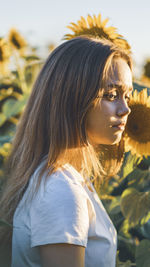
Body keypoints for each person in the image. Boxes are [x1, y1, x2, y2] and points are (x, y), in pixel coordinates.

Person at [0, 36, 133, 267]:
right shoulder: (60, 190)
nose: (126, 109)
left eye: (127, 95)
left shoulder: (62, 178)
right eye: (111, 95)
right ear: (72, 97)